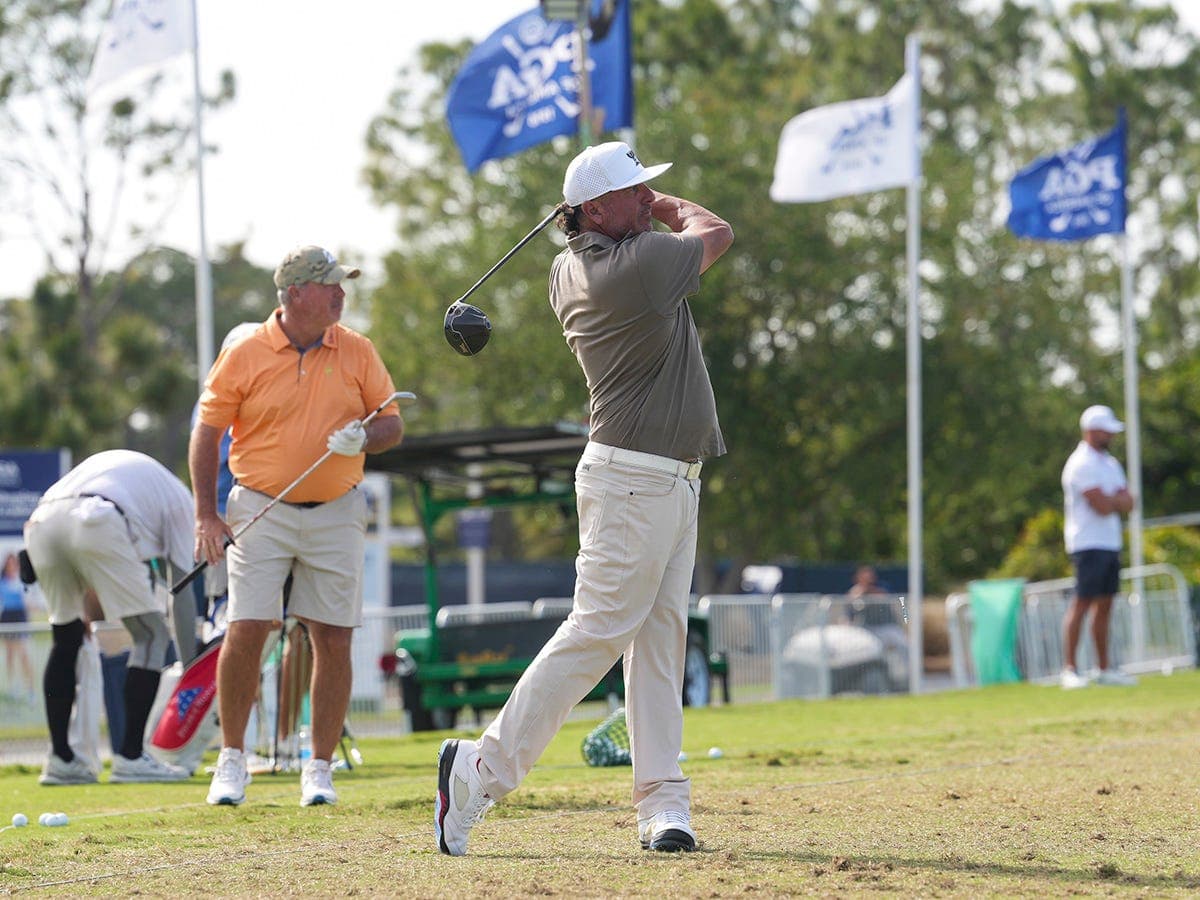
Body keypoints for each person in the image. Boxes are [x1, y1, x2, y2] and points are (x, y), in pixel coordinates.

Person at [434, 141, 733, 856]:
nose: (647, 200)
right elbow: (716, 231)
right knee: (600, 630)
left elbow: (654, 231)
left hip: (663, 477)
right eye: (633, 191)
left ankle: (664, 803)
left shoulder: (581, 263)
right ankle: (482, 768)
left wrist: (628, 203)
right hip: (636, 478)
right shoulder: (631, 269)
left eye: (647, 192)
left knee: (658, 644)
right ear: (597, 209)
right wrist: (662, 206)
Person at [191, 245, 403, 807]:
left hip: (337, 510)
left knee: (332, 636)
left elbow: (392, 423)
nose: (341, 293)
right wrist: (206, 516)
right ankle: (231, 760)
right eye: (330, 285)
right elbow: (207, 433)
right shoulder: (246, 352)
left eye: (342, 284)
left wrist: (365, 437)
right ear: (294, 295)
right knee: (249, 626)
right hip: (261, 506)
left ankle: (319, 768)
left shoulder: (356, 349)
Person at [22, 450, 195, 784]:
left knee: (67, 636)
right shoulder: (183, 503)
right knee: (153, 635)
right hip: (97, 516)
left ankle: (62, 760)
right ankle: (131, 757)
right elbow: (182, 588)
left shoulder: (144, 485)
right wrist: (192, 671)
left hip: (43, 521)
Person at [1060, 404, 1137, 689]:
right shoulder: (1080, 463)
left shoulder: (1110, 463)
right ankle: (1069, 669)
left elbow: (1129, 502)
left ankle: (1103, 668)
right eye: (1107, 431)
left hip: (1109, 542)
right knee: (1082, 603)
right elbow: (1104, 506)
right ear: (1092, 431)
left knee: (1105, 604)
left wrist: (1115, 501)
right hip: (1087, 543)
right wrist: (1115, 500)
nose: (1112, 436)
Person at [1, 552, 37, 701]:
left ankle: (30, 689)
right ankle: (12, 686)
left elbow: (29, 603)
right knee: (10, 655)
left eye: (13, 563)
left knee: (24, 655)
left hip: (20, 619)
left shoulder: (22, 581)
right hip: (7, 620)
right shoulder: (2, 582)